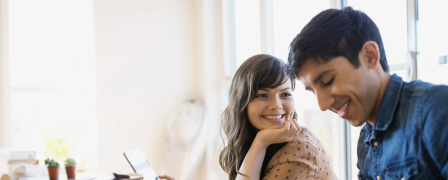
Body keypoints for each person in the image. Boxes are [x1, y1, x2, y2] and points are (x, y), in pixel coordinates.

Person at [288, 6, 448, 180]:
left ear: (370, 56)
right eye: (312, 91)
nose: (323, 104)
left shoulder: (434, 109)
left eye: (327, 81)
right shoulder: (366, 138)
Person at [219, 54, 337, 180]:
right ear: (241, 102)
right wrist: (260, 143)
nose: (276, 105)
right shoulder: (262, 141)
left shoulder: (299, 148)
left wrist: (261, 142)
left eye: (285, 94)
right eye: (262, 95)